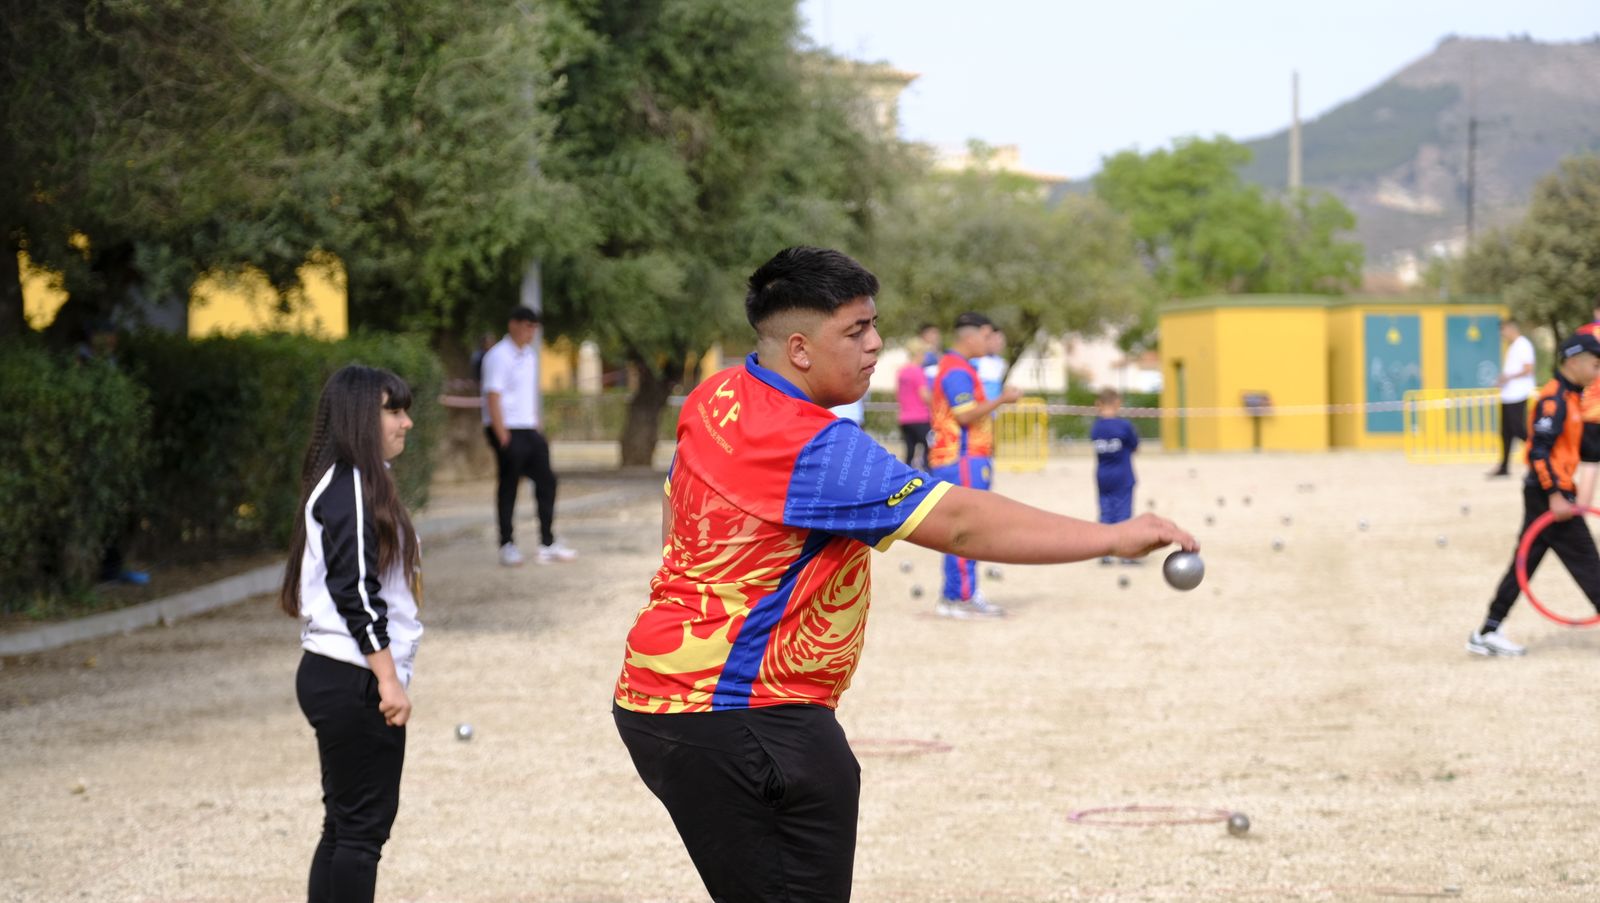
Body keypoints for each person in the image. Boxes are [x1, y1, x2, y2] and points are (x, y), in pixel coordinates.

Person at [612, 246, 1195, 902]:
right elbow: (963, 524)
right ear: (799, 348)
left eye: (874, 324)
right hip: (746, 718)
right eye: (855, 331)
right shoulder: (816, 446)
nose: (875, 343)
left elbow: (675, 496)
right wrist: (1113, 536)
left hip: (658, 697)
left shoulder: (717, 393)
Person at [279, 365, 422, 903]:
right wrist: (388, 678)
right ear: (361, 417)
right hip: (353, 676)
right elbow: (354, 591)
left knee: (343, 828)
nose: (406, 423)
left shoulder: (350, 483)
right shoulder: (350, 488)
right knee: (361, 835)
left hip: (337, 672)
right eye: (394, 410)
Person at [1469, 333, 1600, 657]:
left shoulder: (1573, 399)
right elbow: (1537, 452)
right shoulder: (1554, 399)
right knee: (1587, 563)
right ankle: (1488, 630)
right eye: (1595, 365)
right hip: (1548, 496)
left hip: (1550, 494)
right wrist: (1556, 495)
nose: (1598, 372)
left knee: (1523, 564)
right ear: (1573, 361)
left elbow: (1586, 448)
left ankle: (1488, 629)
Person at [928, 311, 1022, 617]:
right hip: (962, 458)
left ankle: (959, 595)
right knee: (966, 528)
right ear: (971, 336)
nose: (990, 342)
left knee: (967, 528)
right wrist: (1002, 400)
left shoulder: (961, 367)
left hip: (967, 458)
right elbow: (965, 414)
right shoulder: (956, 370)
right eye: (987, 335)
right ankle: (960, 597)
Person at [480, 307, 577, 567]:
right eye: (527, 326)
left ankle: (547, 541)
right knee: (509, 485)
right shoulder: (498, 356)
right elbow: (493, 395)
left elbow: (530, 395)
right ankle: (507, 544)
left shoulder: (530, 357)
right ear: (513, 325)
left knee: (547, 481)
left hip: (529, 428)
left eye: (534, 327)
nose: (530, 332)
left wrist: (537, 426)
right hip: (508, 429)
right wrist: (502, 435)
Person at [1091, 388, 1141, 565]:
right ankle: (1125, 554)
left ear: (1099, 405)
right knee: (1123, 513)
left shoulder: (1096, 427)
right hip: (1122, 475)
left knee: (1106, 512)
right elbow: (1135, 446)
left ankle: (1105, 552)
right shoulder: (1124, 426)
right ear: (1117, 403)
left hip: (1103, 476)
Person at [1489, 319, 1536, 478]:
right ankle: (1504, 466)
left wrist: (1508, 377)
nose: (1502, 334)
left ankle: (1538, 455)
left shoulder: (1523, 345)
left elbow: (1528, 369)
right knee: (1506, 432)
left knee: (1518, 430)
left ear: (1510, 329)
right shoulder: (1514, 346)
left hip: (1518, 394)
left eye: (1503, 330)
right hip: (1508, 395)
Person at [896, 338, 933, 468]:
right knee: (931, 449)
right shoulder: (918, 371)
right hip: (920, 418)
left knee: (909, 453)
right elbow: (925, 395)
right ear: (919, 354)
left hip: (905, 418)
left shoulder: (902, 372)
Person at [974, 327, 1008, 402]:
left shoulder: (1001, 363)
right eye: (995, 340)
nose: (998, 344)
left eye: (1001, 341)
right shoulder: (975, 360)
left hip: (992, 410)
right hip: (979, 408)